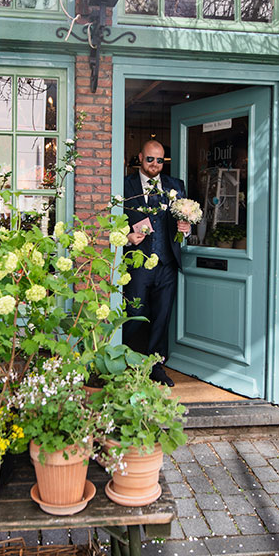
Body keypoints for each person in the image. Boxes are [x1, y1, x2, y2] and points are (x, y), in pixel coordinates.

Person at [122, 139, 191, 386]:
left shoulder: (176, 186)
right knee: (135, 313)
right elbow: (114, 221)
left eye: (159, 160)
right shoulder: (125, 185)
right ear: (140, 157)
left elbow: (185, 221)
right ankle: (128, 363)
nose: (154, 164)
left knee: (162, 316)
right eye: (150, 159)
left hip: (167, 264)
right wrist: (127, 237)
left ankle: (155, 366)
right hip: (138, 264)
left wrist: (186, 227)